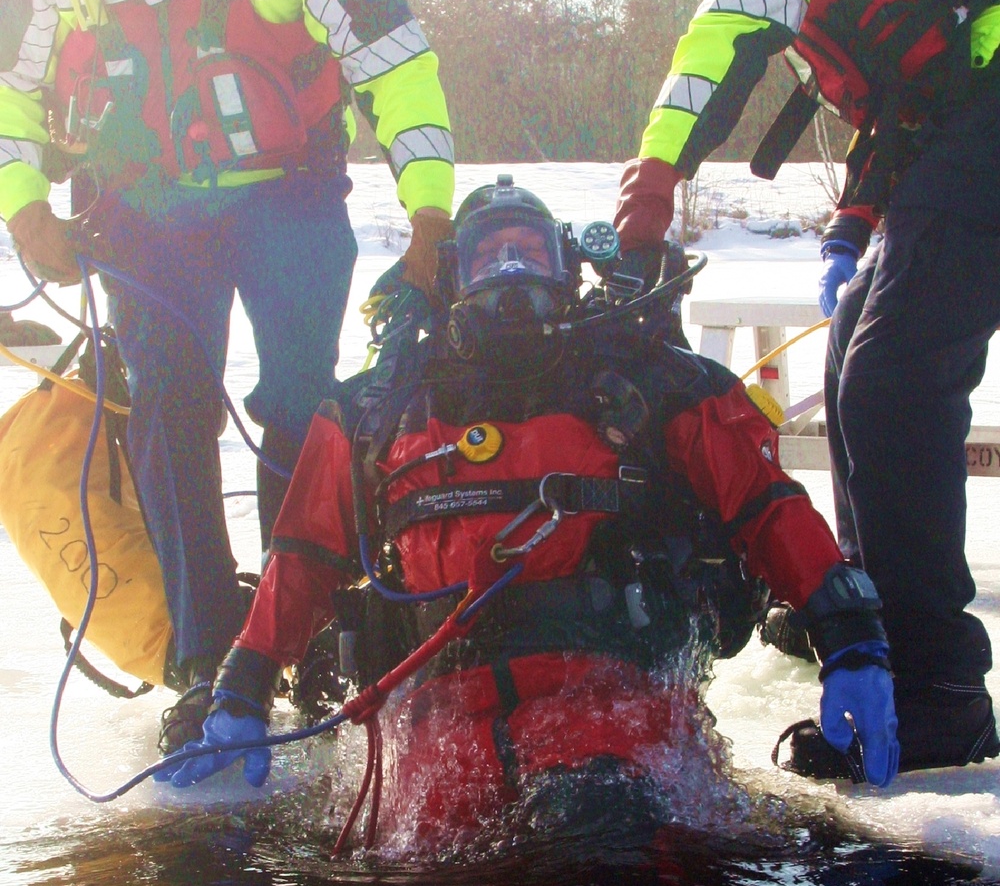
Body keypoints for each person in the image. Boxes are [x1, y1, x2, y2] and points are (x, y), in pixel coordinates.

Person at [161, 176, 899, 829]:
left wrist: (850, 638)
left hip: (616, 711)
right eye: (488, 256)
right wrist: (242, 687)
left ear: (568, 268)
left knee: (606, 843)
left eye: (530, 252)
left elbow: (768, 507)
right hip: (441, 733)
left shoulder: (657, 386)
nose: (511, 275)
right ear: (453, 277)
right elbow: (304, 557)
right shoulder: (379, 409)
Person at [0, 0, 455, 750]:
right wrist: (25, 207)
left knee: (301, 403)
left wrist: (429, 208)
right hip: (144, 213)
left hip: (287, 198)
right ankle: (210, 656)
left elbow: (399, 67)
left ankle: (306, 631)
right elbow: (9, 91)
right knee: (168, 404)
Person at [612, 0, 1000, 776]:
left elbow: (726, 33)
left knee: (890, 386)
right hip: (970, 120)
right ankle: (864, 608)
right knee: (853, 368)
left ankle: (935, 693)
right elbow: (938, 58)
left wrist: (647, 200)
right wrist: (854, 225)